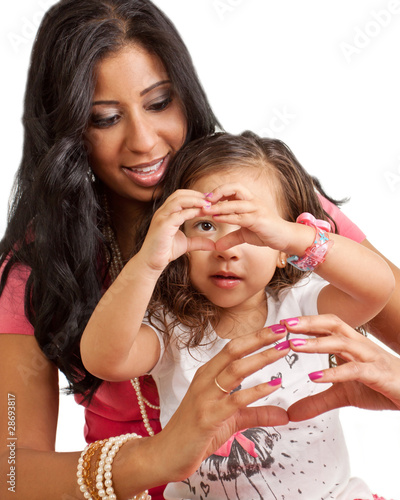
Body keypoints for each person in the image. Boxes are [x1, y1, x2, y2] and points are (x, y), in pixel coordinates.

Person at [0, 0, 399, 498]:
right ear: (67, 130)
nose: (144, 141)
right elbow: (11, 473)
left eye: (159, 102)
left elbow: (381, 290)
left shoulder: (264, 199)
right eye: (104, 118)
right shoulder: (41, 265)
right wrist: (157, 458)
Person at [80, 131, 395, 499]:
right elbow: (104, 360)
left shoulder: (304, 306)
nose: (226, 249)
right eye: (207, 225)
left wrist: (296, 237)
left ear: (282, 248)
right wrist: (148, 263)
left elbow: (378, 286)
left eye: (250, 230)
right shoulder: (172, 329)